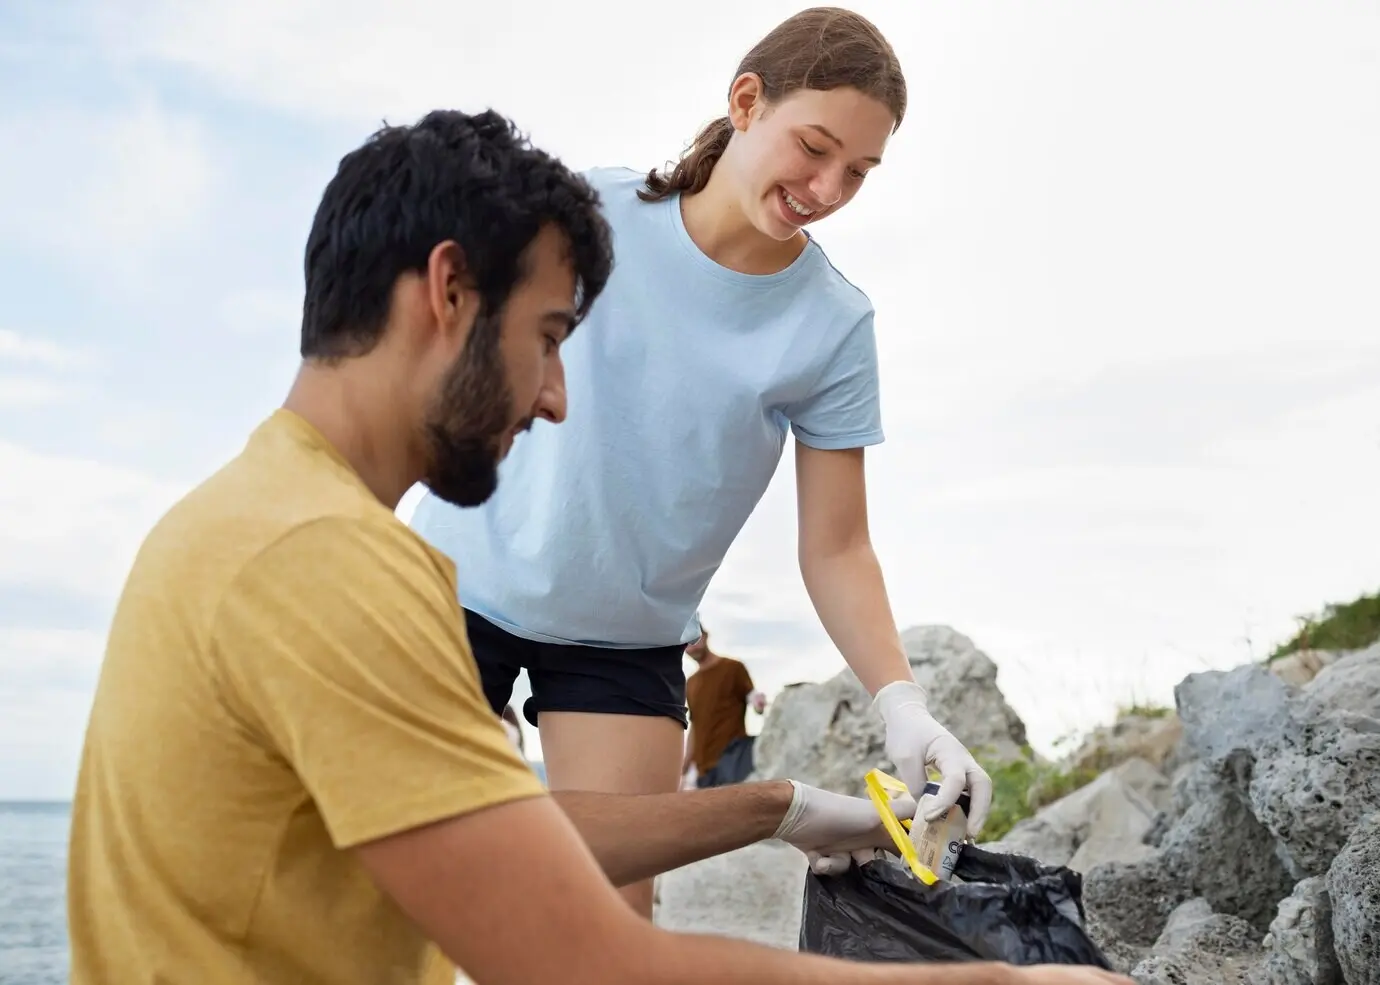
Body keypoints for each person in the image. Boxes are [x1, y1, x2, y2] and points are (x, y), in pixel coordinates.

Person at [64, 108, 1129, 985]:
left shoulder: (264, 517)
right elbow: (587, 960)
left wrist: (785, 807)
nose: (562, 399)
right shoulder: (323, 570)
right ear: (448, 291)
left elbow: (511, 828)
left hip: (626, 637)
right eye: (551, 338)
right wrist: (1001, 982)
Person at [409, 5, 995, 919]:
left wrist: (903, 706)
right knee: (404, 890)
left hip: (623, 639)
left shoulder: (834, 325)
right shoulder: (587, 211)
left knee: (601, 932)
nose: (830, 185)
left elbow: (837, 547)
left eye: (860, 171)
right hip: (446, 588)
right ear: (747, 101)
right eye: (814, 146)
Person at [683, 626, 765, 788]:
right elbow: (696, 724)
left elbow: (752, 697)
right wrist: (685, 766)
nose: (691, 647)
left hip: (733, 761)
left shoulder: (732, 668)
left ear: (705, 636)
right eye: (684, 644)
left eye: (693, 640)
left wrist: (759, 704)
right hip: (703, 771)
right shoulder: (690, 683)